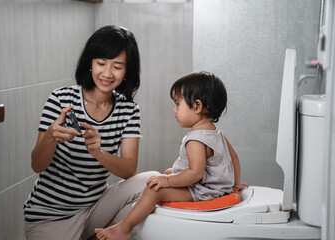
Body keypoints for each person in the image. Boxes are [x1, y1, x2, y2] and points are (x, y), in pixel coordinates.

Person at [24, 25, 158, 240]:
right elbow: (37, 165)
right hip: (51, 216)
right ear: (90, 63)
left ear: (127, 71)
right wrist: (51, 136)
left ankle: (102, 236)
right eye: (101, 63)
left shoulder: (128, 109)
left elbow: (128, 170)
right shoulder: (60, 99)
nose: (107, 73)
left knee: (153, 180)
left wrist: (99, 152)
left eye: (117, 66)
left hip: (95, 210)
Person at [95, 70, 249, 240]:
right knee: (168, 172)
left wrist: (167, 182)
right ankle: (161, 186)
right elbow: (233, 158)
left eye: (178, 104)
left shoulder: (196, 140)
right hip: (215, 187)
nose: (174, 110)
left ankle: (125, 227)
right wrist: (234, 184)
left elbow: (195, 173)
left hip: (204, 191)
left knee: (154, 190)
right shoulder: (215, 133)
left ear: (197, 106)